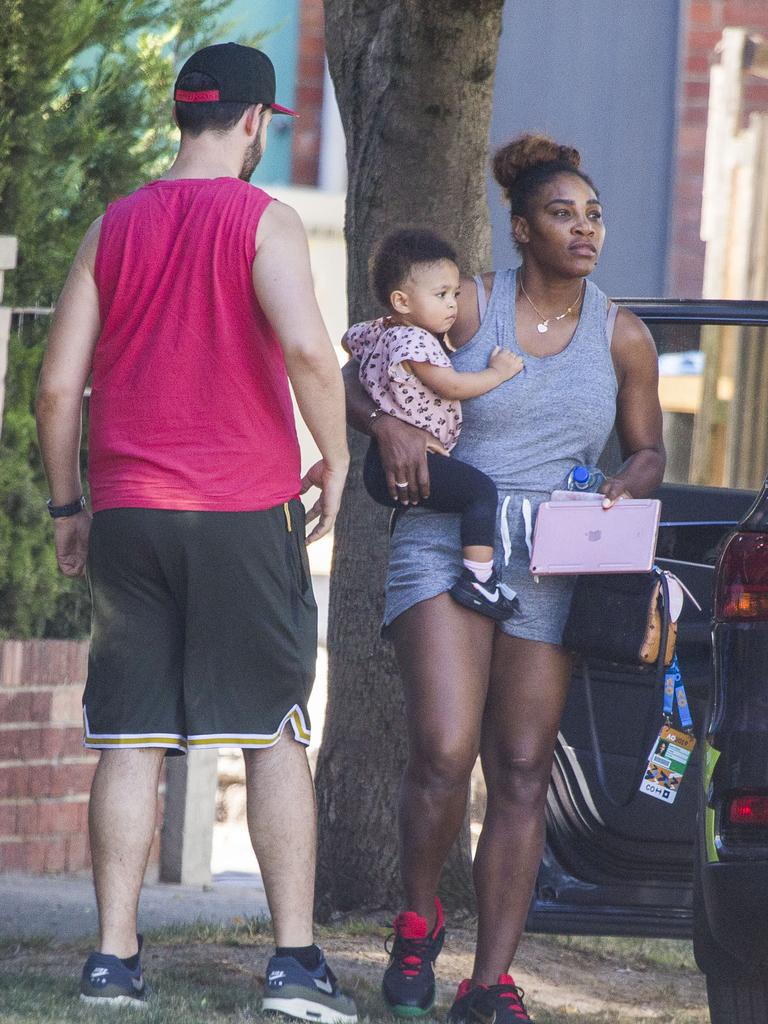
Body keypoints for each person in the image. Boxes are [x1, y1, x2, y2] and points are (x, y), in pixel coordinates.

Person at [36, 43, 356, 1023]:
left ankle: (112, 960)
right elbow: (307, 345)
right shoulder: (265, 219)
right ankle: (295, 964)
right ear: (256, 122)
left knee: (128, 736)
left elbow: (55, 386)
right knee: (271, 733)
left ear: (185, 117)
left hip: (130, 511)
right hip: (240, 510)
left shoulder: (114, 225)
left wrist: (67, 506)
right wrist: (336, 455)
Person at [343, 134, 665, 1023]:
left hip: (554, 557)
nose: (584, 227)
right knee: (445, 749)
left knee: (522, 767)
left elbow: (648, 450)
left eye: (593, 213)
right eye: (562, 213)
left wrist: (628, 482)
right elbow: (355, 371)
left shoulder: (622, 334)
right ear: (520, 229)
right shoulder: (467, 303)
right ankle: (417, 923)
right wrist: (388, 429)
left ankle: (491, 983)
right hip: (446, 539)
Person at [344, 228, 523, 620]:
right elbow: (453, 385)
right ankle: (478, 580)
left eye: (455, 294)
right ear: (402, 301)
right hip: (403, 460)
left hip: (385, 461)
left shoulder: (384, 329)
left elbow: (350, 341)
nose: (452, 306)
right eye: (440, 295)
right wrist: (498, 372)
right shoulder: (416, 342)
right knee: (479, 492)